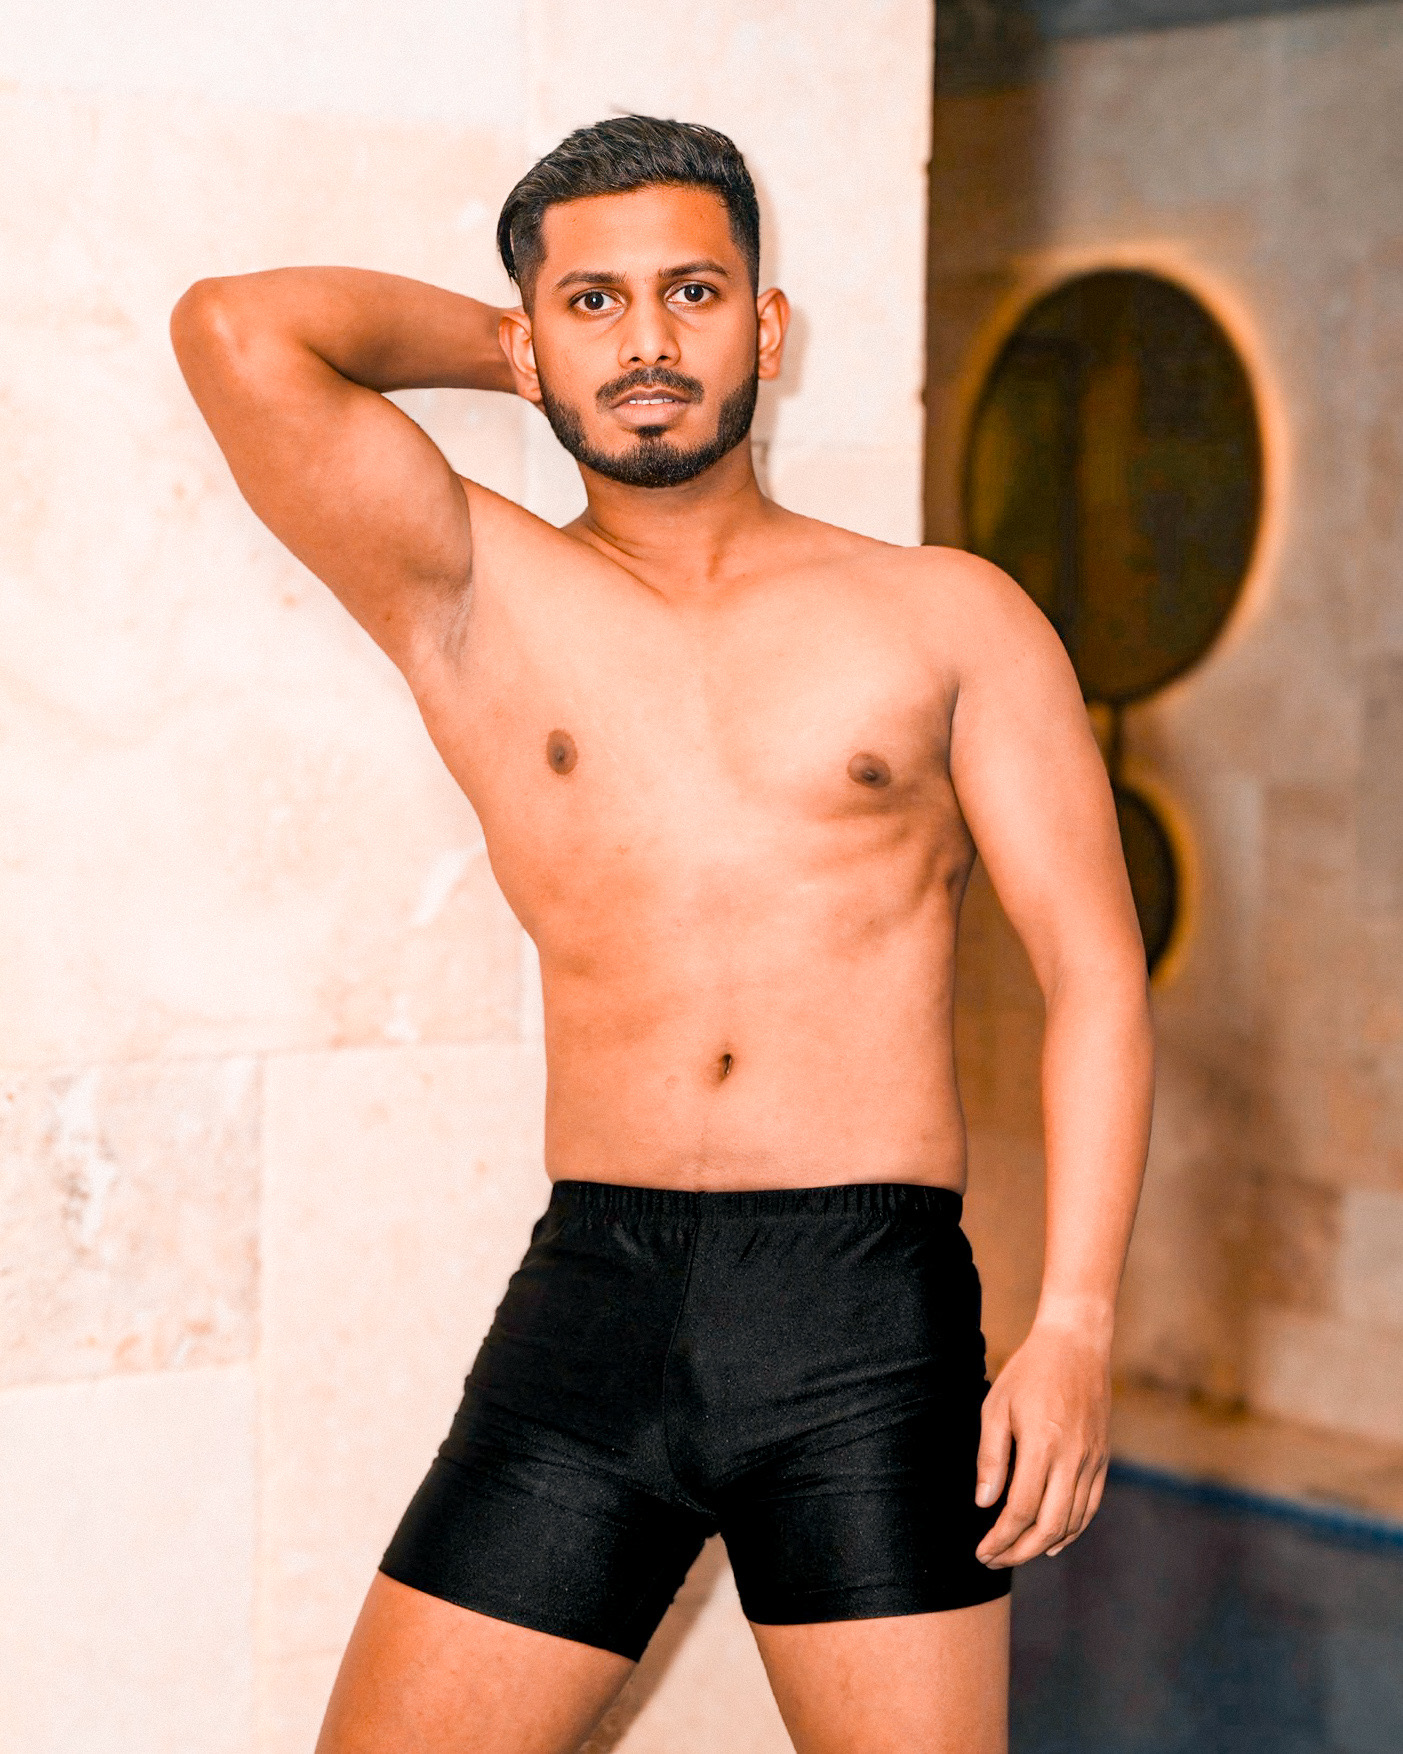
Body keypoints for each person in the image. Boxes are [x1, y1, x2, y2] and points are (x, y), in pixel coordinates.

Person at [171, 114, 1153, 1754]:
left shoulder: (948, 615)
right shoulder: (475, 591)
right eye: (594, 303)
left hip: (864, 1322)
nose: (647, 342)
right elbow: (236, 331)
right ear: (532, 341)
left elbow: (1097, 976)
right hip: (597, 1307)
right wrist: (515, 345)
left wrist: (1079, 1323)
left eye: (692, 294)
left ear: (766, 327)